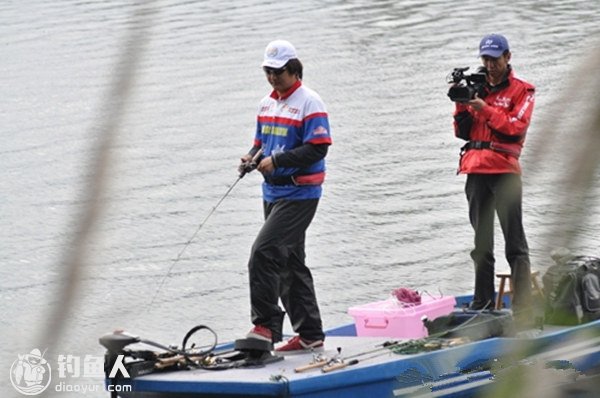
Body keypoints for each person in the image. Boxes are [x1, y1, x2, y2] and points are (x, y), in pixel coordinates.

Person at [239, 39, 332, 353]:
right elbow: (261, 143)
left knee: (262, 253)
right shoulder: (265, 103)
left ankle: (264, 326)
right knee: (290, 262)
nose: (273, 78)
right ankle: (310, 334)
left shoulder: (310, 102)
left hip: (300, 194)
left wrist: (277, 161)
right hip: (272, 191)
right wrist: (251, 158)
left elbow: (318, 147)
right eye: (268, 71)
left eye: (278, 72)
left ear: (294, 69)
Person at [451, 34, 535, 317]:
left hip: (505, 172)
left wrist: (484, 108)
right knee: (481, 243)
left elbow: (514, 127)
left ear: (507, 57)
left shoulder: (523, 91)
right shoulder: (476, 87)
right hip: (475, 171)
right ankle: (482, 302)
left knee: (515, 242)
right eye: (485, 59)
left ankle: (524, 308)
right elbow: (462, 132)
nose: (490, 65)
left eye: (495, 59)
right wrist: (462, 104)